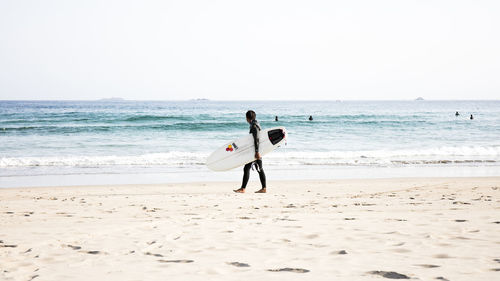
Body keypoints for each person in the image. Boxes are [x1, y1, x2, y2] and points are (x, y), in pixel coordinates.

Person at [233, 110, 267, 193]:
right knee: (259, 169)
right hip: (256, 151)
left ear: (248, 118)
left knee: (247, 168)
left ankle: (243, 188)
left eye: (246, 118)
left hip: (255, 152)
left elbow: (256, 139)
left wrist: (256, 152)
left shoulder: (254, 126)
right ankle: (263, 188)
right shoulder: (256, 124)